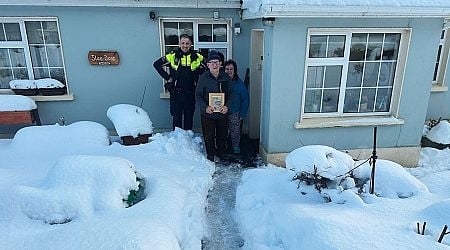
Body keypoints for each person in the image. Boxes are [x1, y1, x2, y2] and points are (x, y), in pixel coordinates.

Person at [153, 34, 204, 130]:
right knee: (177, 120)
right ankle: (176, 143)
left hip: (190, 94)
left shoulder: (197, 57)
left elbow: (209, 68)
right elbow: (156, 64)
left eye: (187, 43)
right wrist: (168, 78)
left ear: (191, 44)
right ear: (179, 44)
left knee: (189, 119)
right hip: (176, 94)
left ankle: (188, 142)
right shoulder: (172, 56)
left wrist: (201, 83)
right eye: (183, 43)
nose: (185, 45)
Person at [196, 51, 233, 162]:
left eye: (217, 62)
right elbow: (198, 95)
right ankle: (210, 155)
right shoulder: (203, 78)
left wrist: (227, 106)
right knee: (209, 136)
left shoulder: (225, 77)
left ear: (221, 64)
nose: (214, 65)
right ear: (208, 65)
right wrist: (205, 107)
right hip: (208, 113)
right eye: (212, 63)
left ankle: (221, 153)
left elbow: (231, 93)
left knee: (222, 135)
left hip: (222, 113)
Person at [224, 60, 249, 154]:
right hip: (221, 112)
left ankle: (236, 148)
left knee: (235, 133)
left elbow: (246, 99)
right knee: (222, 132)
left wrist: (242, 114)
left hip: (235, 112)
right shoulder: (220, 81)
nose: (229, 71)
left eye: (231, 69)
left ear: (235, 71)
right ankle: (223, 149)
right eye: (227, 69)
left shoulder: (239, 84)